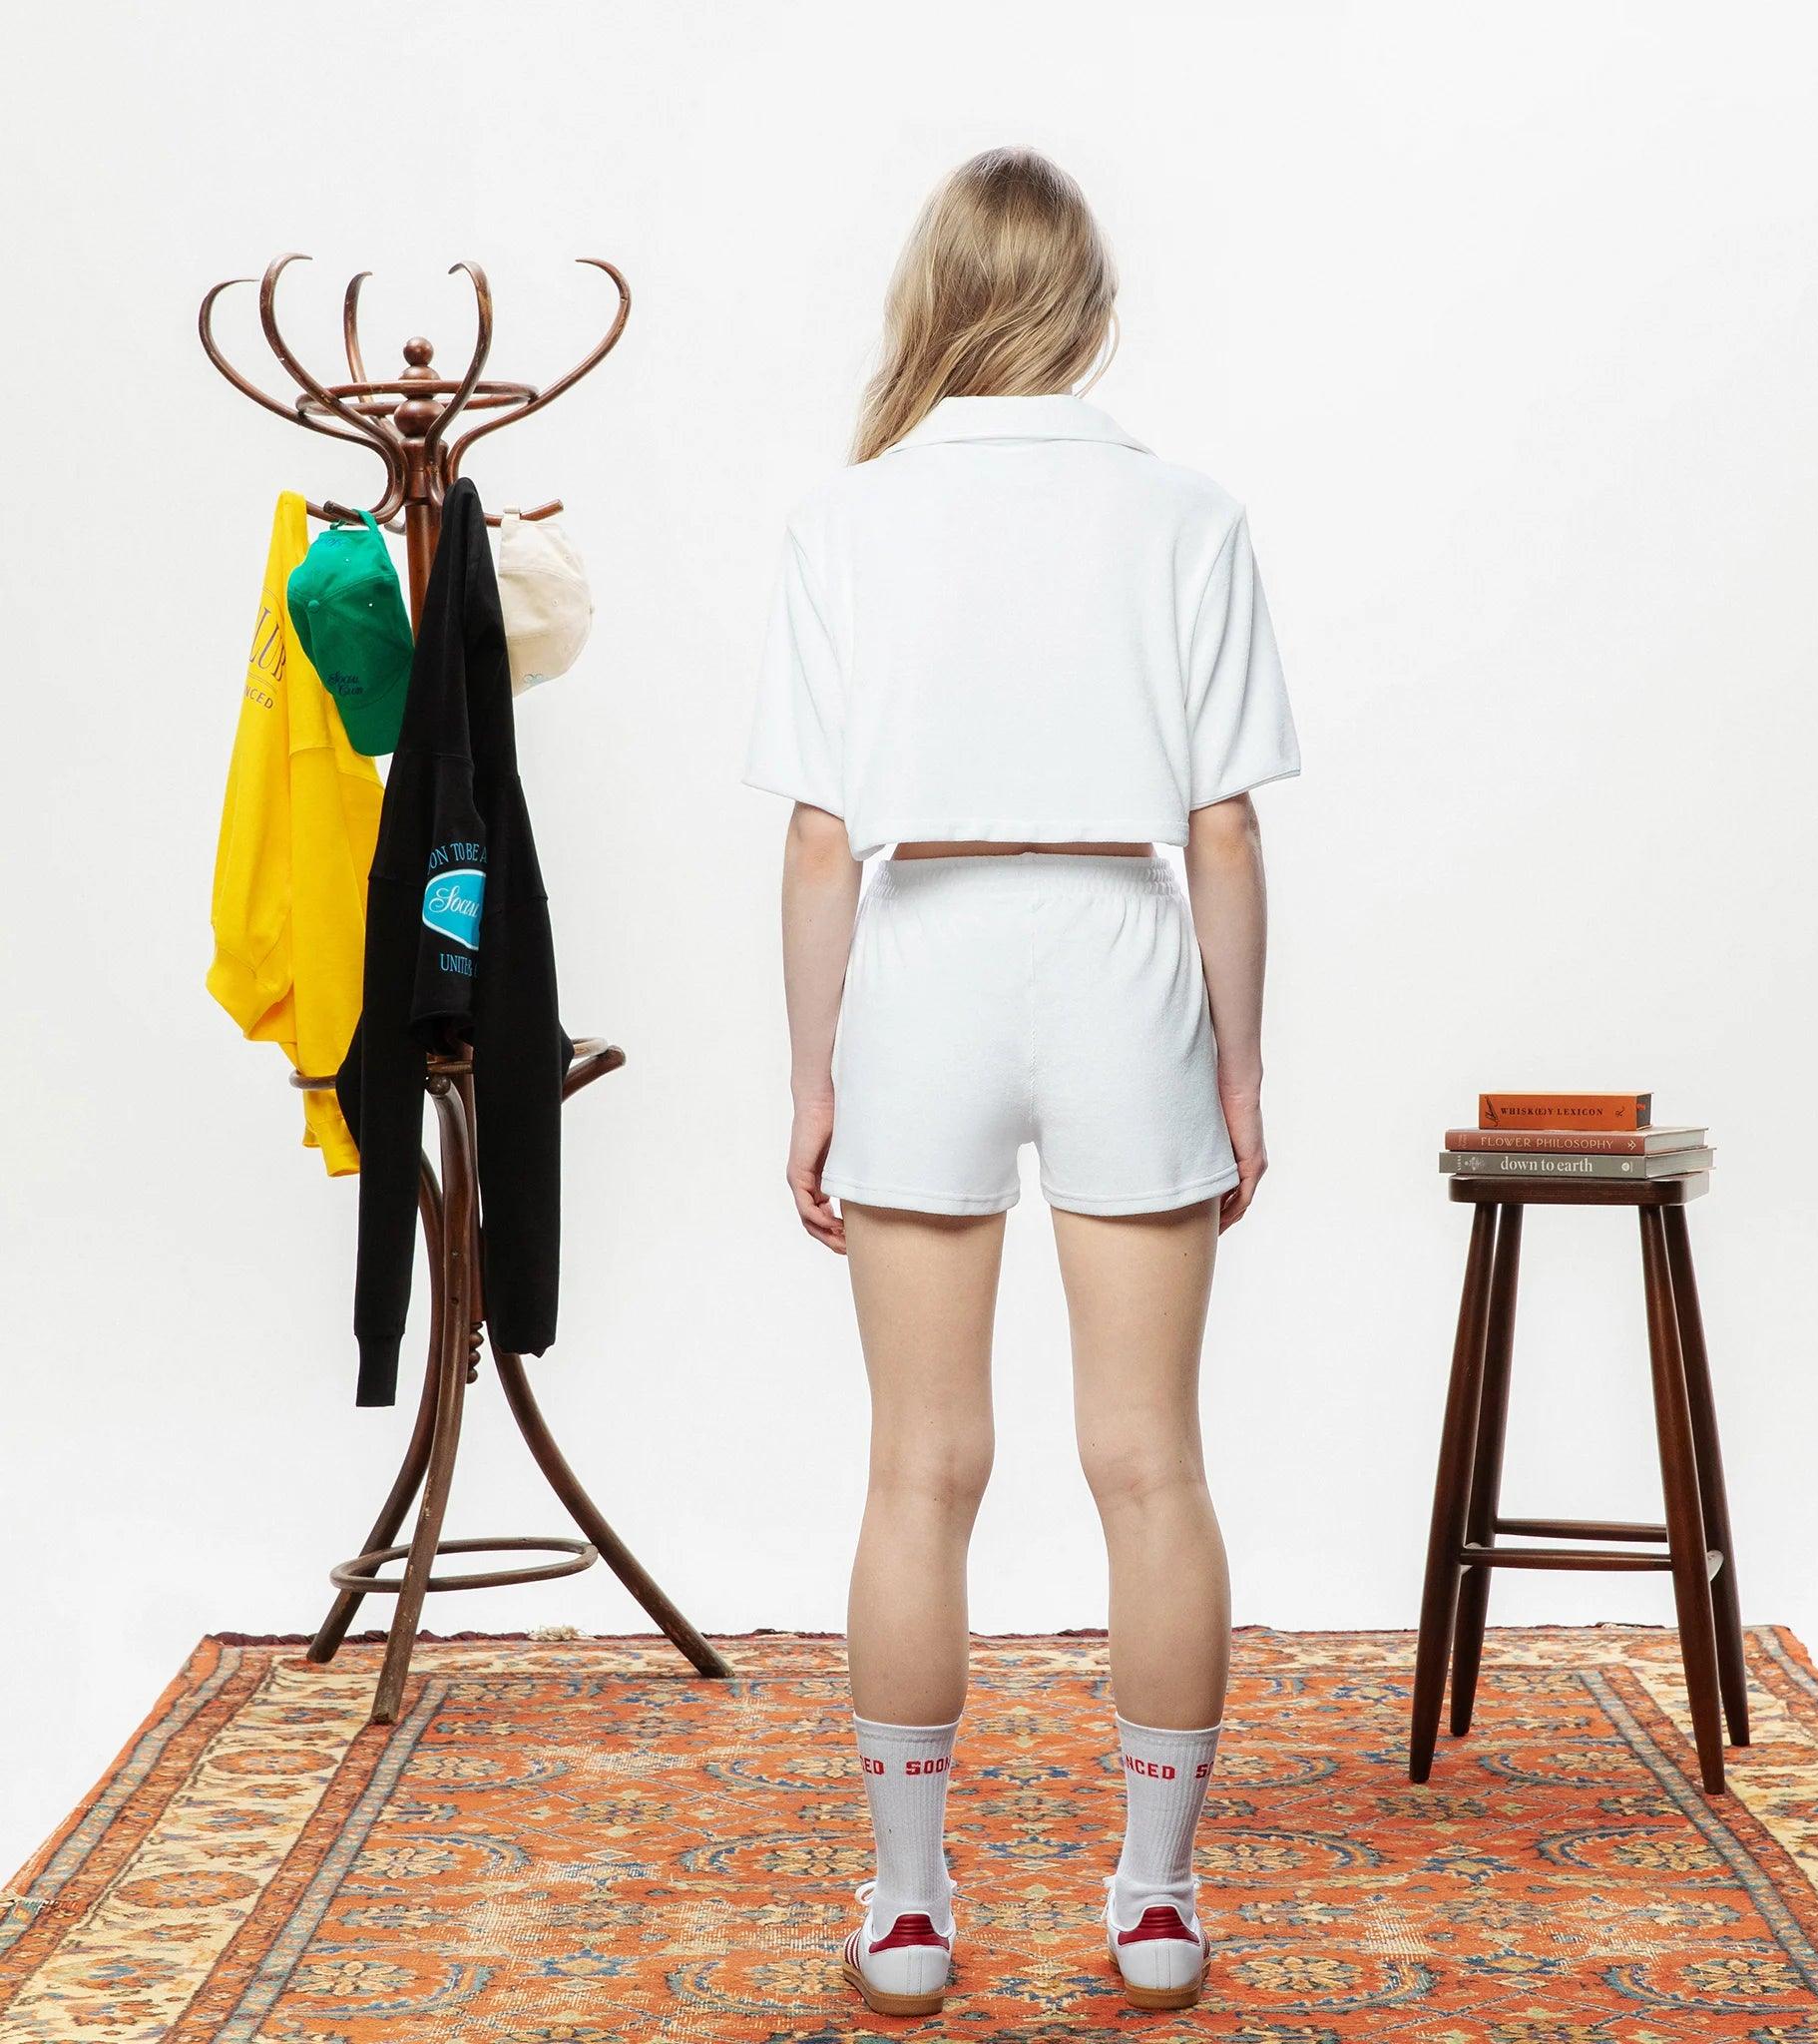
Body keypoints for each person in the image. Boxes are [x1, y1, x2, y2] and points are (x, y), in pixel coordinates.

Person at [744, 146, 1299, 2018]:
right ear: (1088, 309)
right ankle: (1156, 1899)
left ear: (936, 298)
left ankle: (910, 1911)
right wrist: (1238, 1067)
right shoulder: (1189, 516)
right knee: (1153, 1461)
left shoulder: (846, 521)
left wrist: (811, 1077)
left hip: (926, 962)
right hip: (1122, 951)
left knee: (921, 1466)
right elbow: (1223, 829)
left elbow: (819, 838)